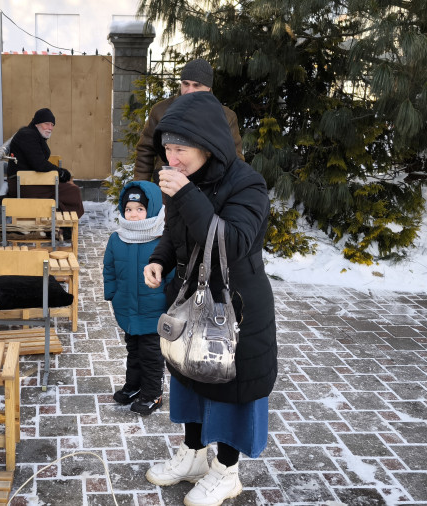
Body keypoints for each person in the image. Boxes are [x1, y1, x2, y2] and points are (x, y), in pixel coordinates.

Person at [142, 92, 277, 506]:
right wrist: (160, 260)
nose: (171, 157)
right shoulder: (185, 181)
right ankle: (195, 457)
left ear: (207, 146)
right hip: (189, 304)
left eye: (180, 149)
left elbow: (232, 242)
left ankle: (227, 472)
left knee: (231, 391)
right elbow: (176, 233)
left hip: (234, 311)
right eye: (167, 148)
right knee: (189, 380)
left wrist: (184, 194)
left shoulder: (247, 184)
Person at [103, 180, 171, 416]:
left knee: (151, 355)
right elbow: (109, 267)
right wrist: (110, 292)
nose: (133, 215)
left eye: (139, 209)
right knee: (133, 349)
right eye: (129, 209)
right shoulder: (117, 238)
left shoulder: (162, 239)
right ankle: (134, 386)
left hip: (154, 309)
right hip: (127, 308)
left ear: (150, 209)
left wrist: (171, 301)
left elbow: (171, 273)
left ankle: (153, 394)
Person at [134, 58, 245, 184]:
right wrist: (141, 187)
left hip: (208, 189)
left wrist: (231, 192)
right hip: (167, 184)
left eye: (196, 85)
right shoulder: (160, 110)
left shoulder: (226, 116)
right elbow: (145, 150)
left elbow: (235, 160)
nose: (190, 90)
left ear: (208, 87)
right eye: (186, 84)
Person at [6, 108, 85, 218]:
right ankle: (61, 224)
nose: (50, 128)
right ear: (37, 123)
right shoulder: (27, 136)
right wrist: (61, 172)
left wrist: (59, 173)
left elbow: (38, 162)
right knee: (72, 191)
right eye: (47, 124)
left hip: (31, 181)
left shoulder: (33, 134)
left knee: (68, 191)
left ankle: (59, 223)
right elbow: (39, 164)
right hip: (23, 185)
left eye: (52, 125)